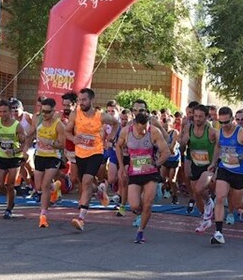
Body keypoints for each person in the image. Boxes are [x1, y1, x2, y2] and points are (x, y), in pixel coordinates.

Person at [65, 88, 118, 231]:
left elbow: (116, 123)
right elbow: (67, 131)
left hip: (95, 152)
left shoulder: (100, 116)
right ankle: (99, 191)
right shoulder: (75, 114)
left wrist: (110, 138)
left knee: (87, 181)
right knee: (84, 183)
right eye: (79, 100)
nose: (81, 103)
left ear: (91, 100)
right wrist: (73, 138)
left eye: (84, 100)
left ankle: (81, 218)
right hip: (80, 153)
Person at [116, 110, 170, 243]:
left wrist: (156, 163)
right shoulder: (126, 131)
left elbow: (166, 152)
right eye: (140, 130)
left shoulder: (154, 131)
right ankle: (143, 214)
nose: (143, 132)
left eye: (145, 129)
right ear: (134, 124)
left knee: (147, 204)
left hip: (150, 173)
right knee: (134, 205)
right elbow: (118, 146)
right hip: (134, 173)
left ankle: (140, 231)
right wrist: (122, 166)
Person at [208, 107, 243, 244]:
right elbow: (218, 147)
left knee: (237, 203)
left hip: (240, 171)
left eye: (226, 122)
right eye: (221, 122)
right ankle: (218, 232)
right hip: (224, 168)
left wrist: (240, 158)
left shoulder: (241, 133)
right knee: (220, 198)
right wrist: (214, 162)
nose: (224, 125)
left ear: (232, 119)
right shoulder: (219, 133)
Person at [0, 99, 28, 219]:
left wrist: (14, 150)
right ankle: (11, 195)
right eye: (0, 111)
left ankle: (9, 208)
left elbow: (24, 144)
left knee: (10, 184)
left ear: (10, 112)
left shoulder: (17, 126)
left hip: (14, 158)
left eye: (5, 111)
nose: (2, 114)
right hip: (1, 156)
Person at [179, 104, 217, 233]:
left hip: (209, 165)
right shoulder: (188, 128)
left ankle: (211, 204)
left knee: (200, 188)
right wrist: (183, 141)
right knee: (196, 193)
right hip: (196, 163)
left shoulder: (211, 131)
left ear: (207, 117)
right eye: (195, 116)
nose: (197, 119)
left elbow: (221, 145)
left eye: (200, 116)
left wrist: (215, 161)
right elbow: (181, 143)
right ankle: (205, 217)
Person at [33, 97, 65, 227]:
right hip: (40, 155)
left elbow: (62, 144)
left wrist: (50, 143)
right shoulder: (37, 120)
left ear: (54, 111)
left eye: (47, 112)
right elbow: (30, 133)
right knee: (39, 186)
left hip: (53, 156)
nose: (44, 114)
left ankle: (43, 216)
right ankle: (55, 186)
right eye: (42, 111)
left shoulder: (59, 125)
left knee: (45, 185)